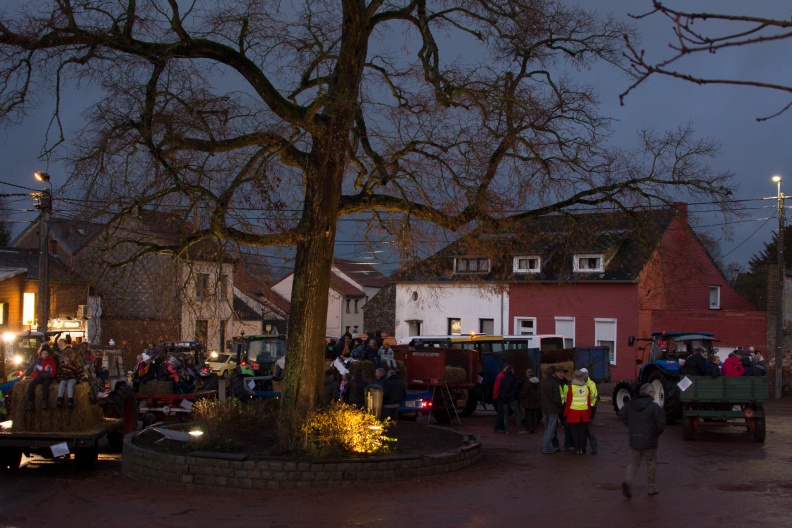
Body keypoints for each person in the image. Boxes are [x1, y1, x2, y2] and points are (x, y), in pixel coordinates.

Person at [619, 383, 666, 498]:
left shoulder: (630, 404)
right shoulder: (654, 406)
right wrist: (655, 433)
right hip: (649, 439)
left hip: (635, 438)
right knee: (651, 463)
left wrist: (631, 426)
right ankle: (651, 488)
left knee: (634, 463)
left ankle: (628, 481)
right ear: (649, 393)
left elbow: (622, 415)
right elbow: (661, 423)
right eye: (653, 392)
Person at [564, 370, 592, 454]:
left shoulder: (571, 388)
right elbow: (588, 402)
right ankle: (582, 448)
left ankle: (577, 448)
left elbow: (568, 402)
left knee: (575, 433)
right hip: (584, 413)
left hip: (573, 413)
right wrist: (589, 413)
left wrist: (565, 413)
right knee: (583, 433)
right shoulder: (587, 388)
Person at [24, 344, 57, 411]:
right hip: (38, 377)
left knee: (46, 386)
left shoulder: (51, 361)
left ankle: (44, 402)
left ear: (49, 354)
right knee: (31, 385)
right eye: (43, 353)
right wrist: (36, 376)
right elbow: (31, 370)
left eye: (46, 353)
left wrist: (46, 376)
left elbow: (53, 372)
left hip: (47, 377)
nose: (44, 355)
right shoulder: (37, 361)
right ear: (41, 353)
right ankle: (30, 403)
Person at [540, 365, 564, 453]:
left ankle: (546, 445)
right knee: (551, 428)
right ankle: (546, 447)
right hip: (553, 409)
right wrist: (560, 407)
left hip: (545, 409)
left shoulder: (543, 382)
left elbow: (539, 395)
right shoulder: (555, 383)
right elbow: (557, 398)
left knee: (547, 428)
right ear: (554, 373)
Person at [497, 365, 521, 434]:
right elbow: (516, 389)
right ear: (512, 371)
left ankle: (507, 429)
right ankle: (519, 429)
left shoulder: (502, 379)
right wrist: (516, 397)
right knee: (517, 413)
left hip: (504, 399)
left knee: (505, 414)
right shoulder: (514, 379)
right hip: (512, 399)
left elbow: (500, 389)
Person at [581, 367, 599, 454]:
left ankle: (593, 447)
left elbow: (593, 396)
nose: (584, 375)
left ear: (587, 374)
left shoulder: (591, 384)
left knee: (589, 428)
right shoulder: (580, 383)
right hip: (582, 408)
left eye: (585, 374)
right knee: (584, 429)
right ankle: (583, 447)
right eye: (582, 374)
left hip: (590, 408)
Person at [518, 368, 541, 433]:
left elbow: (524, 391)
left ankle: (527, 428)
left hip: (528, 401)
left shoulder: (527, 382)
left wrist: (520, 397)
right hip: (535, 401)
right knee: (534, 415)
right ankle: (534, 428)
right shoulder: (538, 381)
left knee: (528, 415)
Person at [492, 364, 508, 433]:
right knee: (501, 412)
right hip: (500, 396)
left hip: (499, 395)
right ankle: (498, 426)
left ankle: (500, 426)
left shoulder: (500, 375)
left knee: (501, 411)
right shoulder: (501, 376)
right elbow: (498, 387)